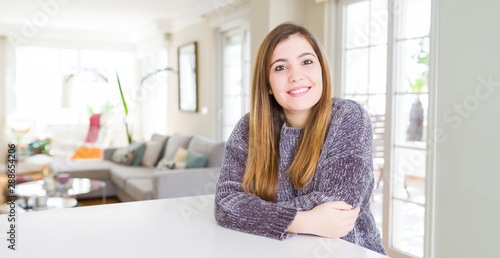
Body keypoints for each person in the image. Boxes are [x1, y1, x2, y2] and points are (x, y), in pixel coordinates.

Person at [214, 22, 386, 255]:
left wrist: (254, 213)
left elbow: (339, 206)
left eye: (306, 62)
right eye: (280, 67)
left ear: (321, 69)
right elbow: (225, 205)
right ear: (267, 84)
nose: (296, 76)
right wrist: (307, 221)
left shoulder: (348, 117)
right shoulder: (249, 127)